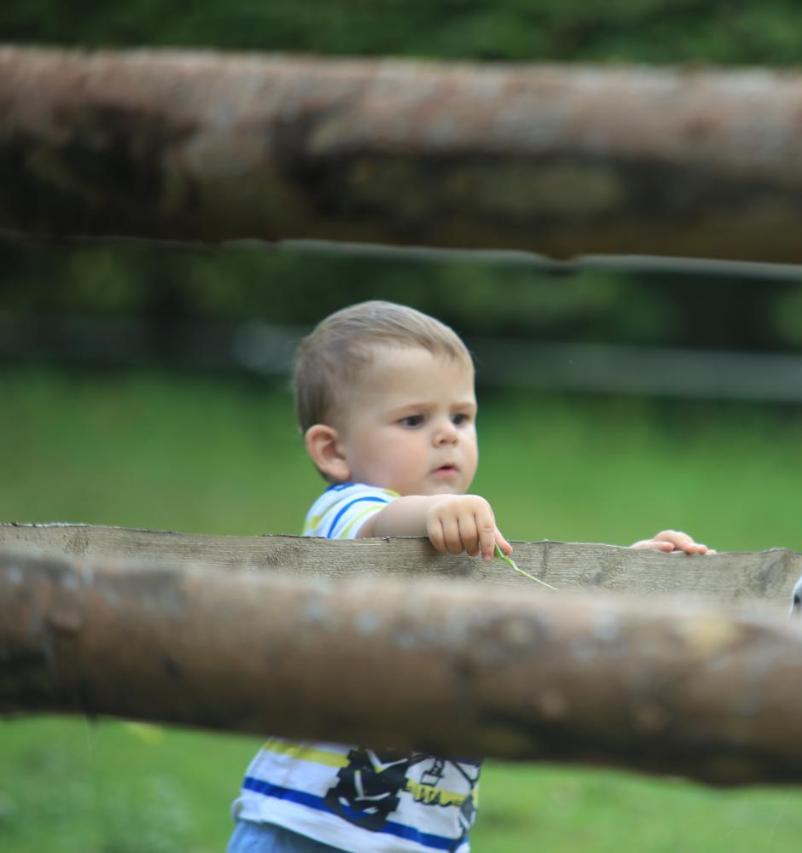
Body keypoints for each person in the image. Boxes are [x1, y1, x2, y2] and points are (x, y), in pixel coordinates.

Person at [229, 300, 710, 853]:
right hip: (308, 826)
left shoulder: (466, 543)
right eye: (414, 420)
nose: (447, 436)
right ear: (333, 451)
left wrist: (634, 570)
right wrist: (430, 515)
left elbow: (546, 609)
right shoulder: (341, 513)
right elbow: (376, 526)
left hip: (428, 837)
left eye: (461, 417)